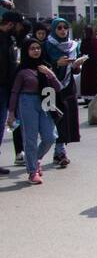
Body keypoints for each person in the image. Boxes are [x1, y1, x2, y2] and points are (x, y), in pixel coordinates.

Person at [7, 37, 60, 184]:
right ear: (26, 51)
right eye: (32, 48)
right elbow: (14, 92)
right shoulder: (22, 71)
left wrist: (50, 73)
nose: (36, 51)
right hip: (26, 102)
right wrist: (11, 113)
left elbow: (58, 87)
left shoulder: (45, 66)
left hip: (45, 102)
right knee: (30, 139)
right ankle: (32, 171)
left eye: (38, 48)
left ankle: (36, 159)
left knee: (50, 136)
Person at [44, 18, 84, 169]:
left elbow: (75, 70)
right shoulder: (47, 45)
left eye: (65, 27)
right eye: (59, 28)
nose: (62, 30)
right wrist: (55, 64)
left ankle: (60, 151)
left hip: (68, 86)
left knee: (67, 118)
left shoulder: (73, 45)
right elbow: (42, 64)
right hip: (52, 87)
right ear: (54, 29)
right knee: (55, 118)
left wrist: (77, 65)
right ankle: (52, 151)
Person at [0, 10, 25, 175]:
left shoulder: (9, 39)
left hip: (5, 88)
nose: (19, 29)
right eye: (18, 26)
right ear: (10, 24)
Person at [78, 24, 97, 99]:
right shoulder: (89, 41)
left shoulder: (94, 41)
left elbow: (89, 53)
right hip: (89, 66)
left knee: (93, 83)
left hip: (92, 66)